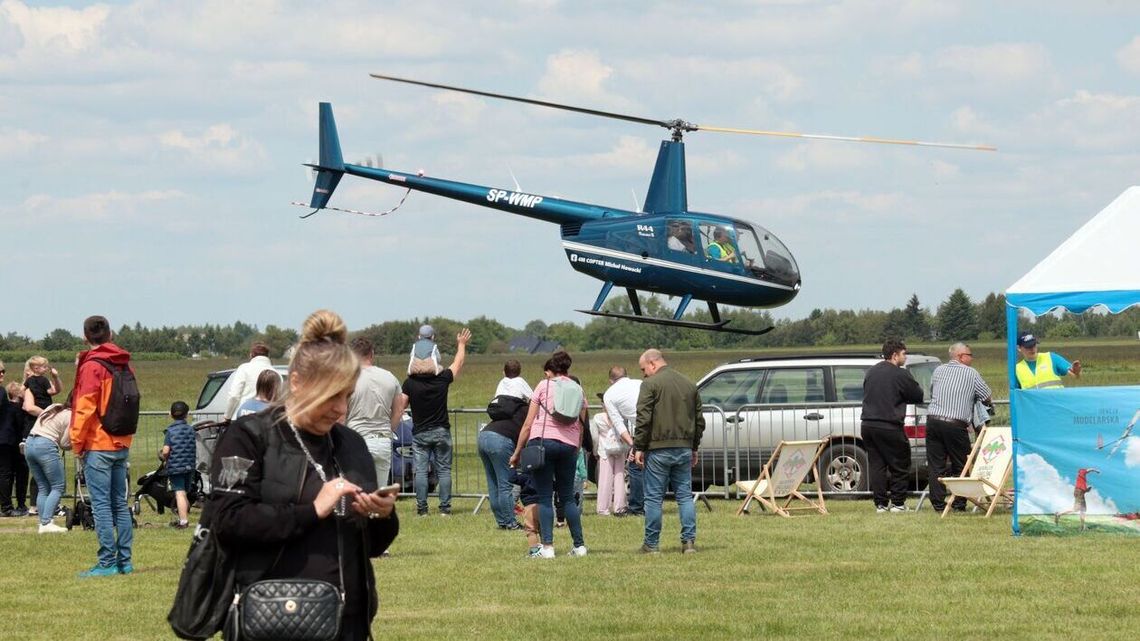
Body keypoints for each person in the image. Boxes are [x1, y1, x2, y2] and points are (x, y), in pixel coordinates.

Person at [210, 310, 398, 641]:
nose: (341, 408)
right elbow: (228, 521)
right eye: (331, 395)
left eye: (347, 396)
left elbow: (370, 545)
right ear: (296, 383)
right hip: (271, 617)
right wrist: (312, 510)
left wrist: (380, 515)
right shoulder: (249, 436)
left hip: (347, 622)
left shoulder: (351, 443)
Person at [70, 315, 136, 576]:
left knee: (101, 506)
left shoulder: (92, 366)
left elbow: (85, 408)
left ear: (86, 336)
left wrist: (77, 443)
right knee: (119, 504)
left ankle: (107, 562)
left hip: (98, 443)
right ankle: (125, 561)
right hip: (121, 441)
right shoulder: (123, 363)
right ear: (110, 334)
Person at [508, 350, 588, 558]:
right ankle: (579, 546)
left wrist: (517, 451)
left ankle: (548, 547)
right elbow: (581, 424)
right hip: (569, 446)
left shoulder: (544, 386)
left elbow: (528, 423)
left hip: (543, 443)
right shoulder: (578, 389)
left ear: (551, 369)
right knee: (568, 497)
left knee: (544, 497)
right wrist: (576, 448)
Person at [633, 349, 704, 554]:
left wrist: (639, 446)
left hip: (658, 449)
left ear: (652, 364)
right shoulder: (689, 383)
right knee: (684, 496)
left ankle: (651, 544)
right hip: (683, 447)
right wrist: (694, 446)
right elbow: (699, 420)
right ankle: (689, 542)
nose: (643, 373)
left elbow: (643, 418)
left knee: (654, 498)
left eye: (643, 369)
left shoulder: (650, 384)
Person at [402, 328, 471, 516]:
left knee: (421, 472)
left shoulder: (409, 383)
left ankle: (422, 510)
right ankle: (445, 509)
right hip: (441, 430)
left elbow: (401, 405)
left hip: (420, 433)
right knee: (444, 471)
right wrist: (461, 344)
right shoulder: (442, 379)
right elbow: (458, 363)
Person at [926, 343, 993, 512]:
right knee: (960, 465)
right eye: (970, 355)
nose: (971, 358)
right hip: (955, 424)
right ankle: (958, 503)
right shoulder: (971, 373)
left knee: (936, 465)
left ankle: (938, 504)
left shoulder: (938, 370)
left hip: (933, 421)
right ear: (961, 356)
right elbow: (986, 395)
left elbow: (933, 391)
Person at [861, 339, 924, 513]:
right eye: (904, 353)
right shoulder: (900, 374)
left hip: (867, 424)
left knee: (877, 465)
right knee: (900, 463)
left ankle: (880, 504)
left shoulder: (871, 372)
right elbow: (917, 395)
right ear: (895, 355)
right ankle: (897, 503)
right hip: (889, 424)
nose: (906, 356)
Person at [347, 338, 406, 488]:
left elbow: (341, 412)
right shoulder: (389, 377)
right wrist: (389, 429)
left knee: (357, 492)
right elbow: (399, 409)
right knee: (379, 493)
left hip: (356, 438)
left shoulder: (348, 379)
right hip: (382, 440)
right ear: (371, 354)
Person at [478, 392, 528, 529]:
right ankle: (511, 523)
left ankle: (502, 522)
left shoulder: (509, 410)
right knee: (505, 485)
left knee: (493, 484)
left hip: (484, 436)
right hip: (501, 441)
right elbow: (527, 431)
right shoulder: (527, 410)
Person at [602, 366, 642, 516]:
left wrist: (632, 444)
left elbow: (618, 424)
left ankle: (637, 507)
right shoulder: (639, 383)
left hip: (642, 428)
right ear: (627, 375)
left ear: (610, 380)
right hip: (658, 426)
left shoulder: (609, 394)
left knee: (635, 466)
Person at [24, 402, 71, 533]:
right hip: (45, 446)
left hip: (29, 443)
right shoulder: (72, 415)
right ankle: (47, 522)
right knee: (58, 486)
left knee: (43, 487)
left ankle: (43, 523)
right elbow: (65, 443)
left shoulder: (53, 406)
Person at [161, 401, 197, 529]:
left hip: (176, 467)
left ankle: (183, 521)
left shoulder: (170, 431)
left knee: (179, 493)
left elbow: (166, 451)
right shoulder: (191, 430)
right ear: (187, 414)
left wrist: (162, 456)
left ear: (171, 414)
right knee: (184, 493)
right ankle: (184, 516)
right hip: (190, 466)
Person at [0, 380, 29, 517]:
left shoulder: (4, 406)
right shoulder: (19, 409)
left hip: (3, 442)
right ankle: (21, 504)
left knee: (6, 474)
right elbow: (21, 427)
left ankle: (6, 505)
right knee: (21, 473)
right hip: (15, 444)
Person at [223, 341, 274, 420]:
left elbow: (234, 395)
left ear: (251, 355)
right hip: (266, 420)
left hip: (242, 418)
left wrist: (227, 416)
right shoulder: (276, 373)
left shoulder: (244, 368)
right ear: (268, 356)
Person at [1014, 332, 1081, 389]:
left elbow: (1075, 375)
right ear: (1019, 348)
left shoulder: (1051, 357)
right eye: (1028, 346)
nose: (1032, 349)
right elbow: (1017, 395)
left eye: (1034, 345)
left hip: (1056, 403)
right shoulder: (1017, 369)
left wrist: (1076, 372)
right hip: (1034, 404)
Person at [508, 467, 540, 557]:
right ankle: (547, 548)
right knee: (545, 530)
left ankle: (534, 551)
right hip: (545, 506)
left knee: (531, 530)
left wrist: (513, 466)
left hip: (529, 506)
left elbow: (512, 478)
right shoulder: (544, 477)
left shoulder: (525, 477)